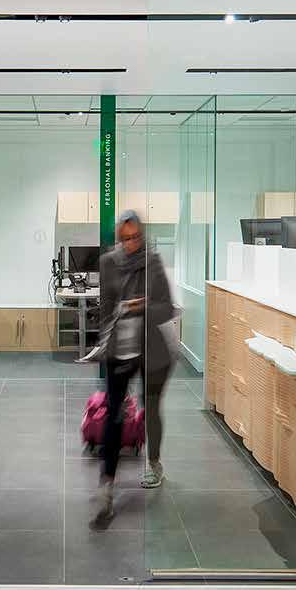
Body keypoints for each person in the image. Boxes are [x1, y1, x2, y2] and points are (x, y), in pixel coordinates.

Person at [92, 210, 176, 527]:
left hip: (151, 348)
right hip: (120, 349)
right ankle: (107, 485)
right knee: (114, 413)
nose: (131, 244)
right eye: (125, 238)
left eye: (136, 237)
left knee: (150, 406)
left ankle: (154, 463)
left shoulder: (153, 262)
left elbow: (167, 307)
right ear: (118, 238)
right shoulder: (108, 263)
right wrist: (104, 343)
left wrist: (143, 306)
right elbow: (105, 308)